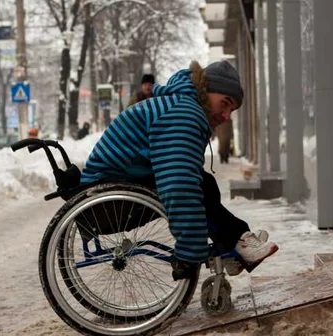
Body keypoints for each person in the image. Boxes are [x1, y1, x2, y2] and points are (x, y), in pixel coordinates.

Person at [80, 60, 279, 280]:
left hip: (109, 186)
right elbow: (178, 184)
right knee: (197, 186)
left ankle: (234, 241)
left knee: (204, 183)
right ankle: (237, 241)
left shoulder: (180, 105)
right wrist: (189, 251)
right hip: (106, 204)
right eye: (225, 103)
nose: (226, 116)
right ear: (206, 91)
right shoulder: (183, 114)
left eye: (231, 110)